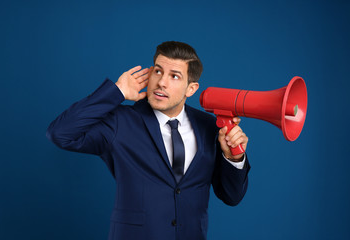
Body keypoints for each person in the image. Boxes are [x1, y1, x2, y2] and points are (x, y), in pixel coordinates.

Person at [46, 41, 250, 240]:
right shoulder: (120, 121)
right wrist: (116, 92)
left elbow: (231, 196)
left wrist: (234, 157)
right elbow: (61, 133)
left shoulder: (209, 126)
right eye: (158, 71)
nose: (162, 82)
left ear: (191, 89)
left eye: (175, 76)